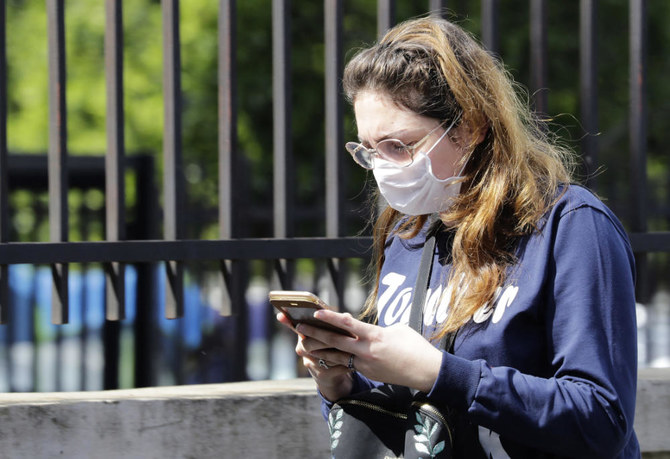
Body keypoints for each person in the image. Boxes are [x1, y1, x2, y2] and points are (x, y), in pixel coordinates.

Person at [277, 16, 639, 458]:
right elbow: (413, 418)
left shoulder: (571, 225)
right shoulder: (408, 231)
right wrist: (341, 381)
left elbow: (602, 418)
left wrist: (442, 373)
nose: (384, 166)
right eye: (368, 150)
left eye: (399, 145)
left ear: (470, 127)